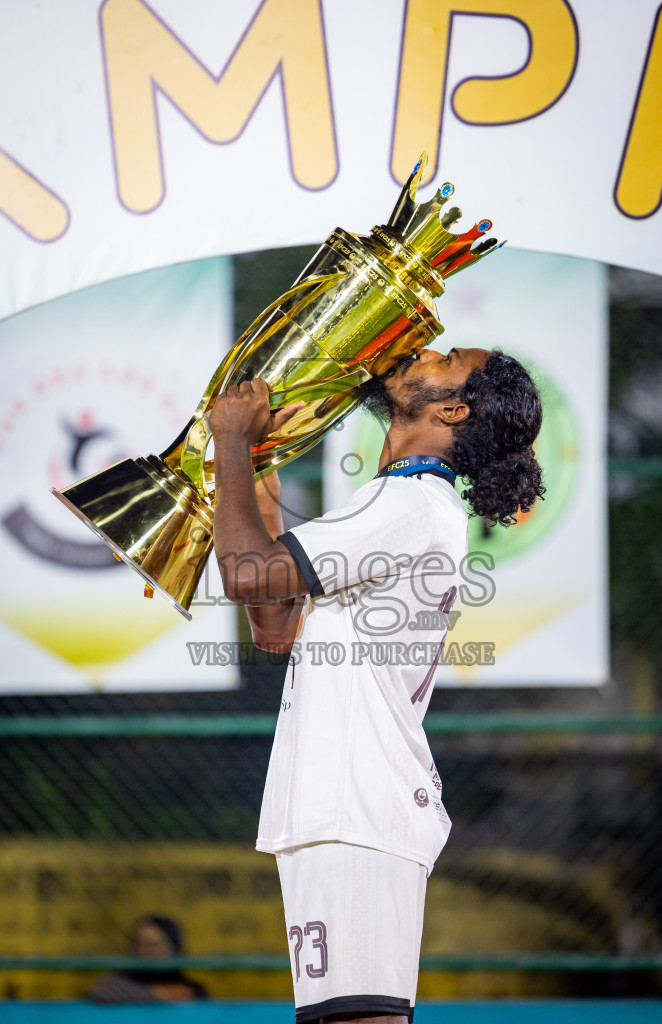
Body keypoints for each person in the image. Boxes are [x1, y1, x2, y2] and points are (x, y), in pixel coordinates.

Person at [209, 346, 544, 1024]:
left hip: (359, 805)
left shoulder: (411, 504)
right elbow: (274, 623)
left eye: (446, 358)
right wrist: (260, 466)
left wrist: (229, 445)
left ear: (452, 409)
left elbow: (246, 574)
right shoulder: (401, 501)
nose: (423, 349)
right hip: (339, 805)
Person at [88, 914, 208, 1004]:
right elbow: (103, 990)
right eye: (141, 944)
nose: (148, 950)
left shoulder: (188, 989)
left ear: (173, 947)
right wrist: (159, 994)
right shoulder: (118, 983)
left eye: (155, 944)